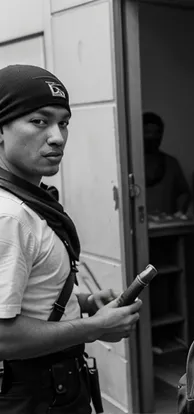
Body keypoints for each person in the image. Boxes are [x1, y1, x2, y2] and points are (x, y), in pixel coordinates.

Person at [0, 64, 142, 413]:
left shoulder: (28, 203)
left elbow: (25, 297)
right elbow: (3, 336)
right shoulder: (10, 216)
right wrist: (93, 327)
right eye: (39, 121)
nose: (57, 137)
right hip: (32, 395)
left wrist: (82, 303)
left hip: (55, 386)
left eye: (63, 123)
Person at [142, 112, 191, 216]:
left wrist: (180, 212)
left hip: (165, 225)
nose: (152, 136)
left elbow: (183, 193)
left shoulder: (171, 163)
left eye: (156, 133)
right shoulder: (128, 164)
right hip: (138, 227)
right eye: (147, 132)